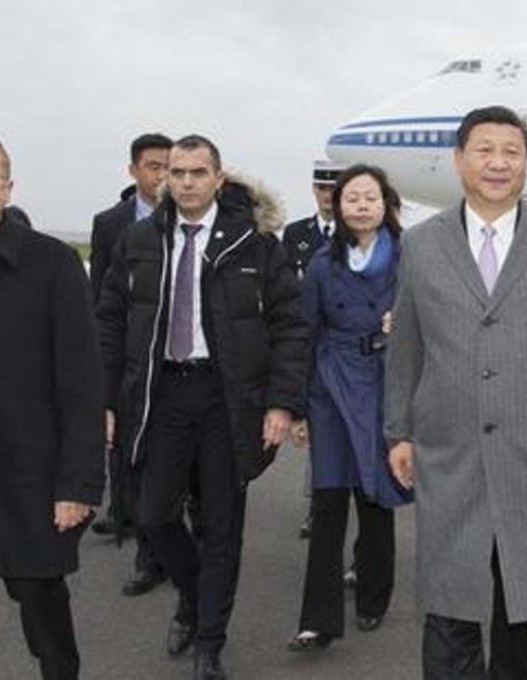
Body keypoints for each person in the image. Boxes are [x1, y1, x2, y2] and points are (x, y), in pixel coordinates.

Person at [384, 105, 527, 679]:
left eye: (512, 152)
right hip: (448, 451)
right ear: (458, 159)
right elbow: (406, 345)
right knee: (450, 600)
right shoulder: (422, 244)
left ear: (526, 163)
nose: (498, 162)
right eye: (484, 150)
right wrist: (398, 431)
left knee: (520, 595)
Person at [97, 134, 308, 679]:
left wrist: (282, 402)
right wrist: (106, 399)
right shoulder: (140, 240)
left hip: (227, 398)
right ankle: (194, 596)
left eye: (198, 172)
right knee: (152, 514)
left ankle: (209, 643)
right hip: (161, 394)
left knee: (220, 526)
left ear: (219, 178)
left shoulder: (255, 243)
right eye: (178, 172)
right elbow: (110, 322)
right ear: (166, 179)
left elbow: (290, 326)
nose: (187, 182)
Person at [0, 135, 105, 679]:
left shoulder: (52, 263)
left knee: (39, 600)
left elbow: (82, 381)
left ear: (8, 188)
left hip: (29, 468)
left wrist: (79, 484)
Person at [287, 164, 411, 652]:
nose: (361, 206)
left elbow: (436, 316)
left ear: (386, 204)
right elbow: (304, 332)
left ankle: (374, 597)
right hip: (332, 383)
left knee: (375, 494)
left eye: (370, 197)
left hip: (385, 380)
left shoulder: (409, 257)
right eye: (352, 198)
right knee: (329, 499)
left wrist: (406, 322)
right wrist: (298, 407)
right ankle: (317, 620)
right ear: (337, 206)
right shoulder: (322, 263)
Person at [89, 133, 173, 599]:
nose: (162, 174)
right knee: (128, 450)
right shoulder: (110, 224)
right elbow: (100, 294)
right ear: (133, 171)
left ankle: (169, 544)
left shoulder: (191, 217)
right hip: (128, 359)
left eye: (168, 165)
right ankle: (143, 546)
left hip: (178, 361)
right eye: (153, 166)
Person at [282, 160, 343, 541]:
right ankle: (317, 507)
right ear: (314, 190)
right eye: (322, 189)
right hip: (308, 346)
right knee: (318, 431)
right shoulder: (296, 234)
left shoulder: (359, 234)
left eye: (334, 190)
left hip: (346, 349)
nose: (328, 196)